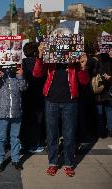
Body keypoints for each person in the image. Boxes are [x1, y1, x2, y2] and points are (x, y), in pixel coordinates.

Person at [33, 4, 90, 177]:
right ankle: (52, 162)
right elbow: (37, 74)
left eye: (63, 38)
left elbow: (84, 82)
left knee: (69, 134)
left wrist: (83, 66)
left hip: (70, 101)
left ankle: (69, 163)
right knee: (51, 135)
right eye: (57, 37)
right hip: (51, 100)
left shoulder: (74, 59)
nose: (60, 40)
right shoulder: (49, 56)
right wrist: (40, 56)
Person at [0, 42, 28, 172]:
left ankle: (15, 159)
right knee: (1, 137)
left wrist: (21, 76)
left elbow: (24, 87)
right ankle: (0, 159)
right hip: (1, 111)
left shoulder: (17, 69)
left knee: (15, 137)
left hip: (16, 109)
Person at [20, 41, 46, 153]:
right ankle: (36, 144)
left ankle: (25, 143)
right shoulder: (40, 62)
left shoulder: (21, 63)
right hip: (39, 95)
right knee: (38, 121)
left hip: (25, 95)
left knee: (25, 120)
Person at [93, 52, 112, 138]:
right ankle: (110, 130)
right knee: (109, 111)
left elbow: (94, 72)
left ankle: (101, 132)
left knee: (100, 112)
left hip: (99, 91)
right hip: (108, 90)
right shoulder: (110, 61)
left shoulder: (97, 60)